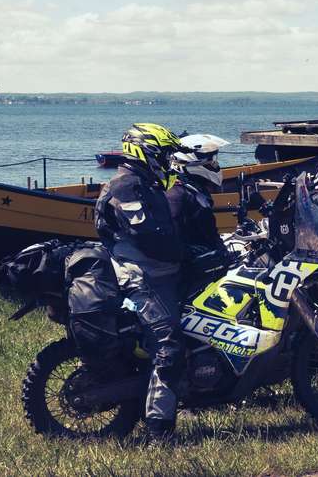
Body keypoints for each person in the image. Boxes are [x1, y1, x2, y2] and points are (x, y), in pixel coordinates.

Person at [94, 123, 186, 438]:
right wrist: (180, 251)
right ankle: (159, 428)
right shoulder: (126, 186)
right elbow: (146, 234)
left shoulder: (145, 183)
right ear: (144, 152)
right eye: (164, 153)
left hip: (156, 271)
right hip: (140, 276)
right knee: (168, 343)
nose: (168, 160)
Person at [166, 134, 230, 255]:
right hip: (192, 260)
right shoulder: (181, 195)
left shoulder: (189, 190)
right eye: (211, 161)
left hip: (198, 254)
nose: (215, 165)